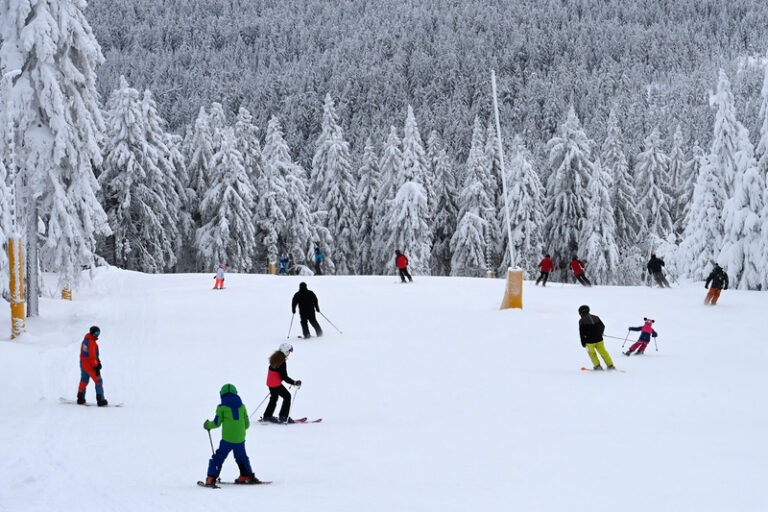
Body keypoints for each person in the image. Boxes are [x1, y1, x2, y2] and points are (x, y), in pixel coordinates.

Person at [202, 383, 261, 486]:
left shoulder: (221, 408)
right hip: (240, 439)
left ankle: (211, 478)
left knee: (219, 456)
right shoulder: (242, 407)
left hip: (227, 439)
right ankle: (246, 475)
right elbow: (247, 425)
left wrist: (207, 425)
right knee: (241, 457)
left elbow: (216, 423)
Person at [262, 344, 302, 424]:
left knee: (274, 397)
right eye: (289, 352)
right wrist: (294, 382)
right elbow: (284, 377)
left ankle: (267, 416)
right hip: (275, 384)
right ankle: (283, 417)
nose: (289, 353)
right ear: (285, 352)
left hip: (270, 383)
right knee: (287, 396)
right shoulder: (282, 362)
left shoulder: (275, 358)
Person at [77, 326, 108, 406]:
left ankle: (80, 398)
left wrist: (98, 361)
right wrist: (96, 366)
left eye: (99, 333)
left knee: (84, 380)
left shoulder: (85, 341)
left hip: (83, 364)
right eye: (96, 333)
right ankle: (100, 400)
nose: (97, 335)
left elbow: (85, 354)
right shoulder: (91, 342)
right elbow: (92, 356)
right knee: (98, 381)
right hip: (90, 366)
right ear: (92, 332)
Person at [578, 305, 616, 370]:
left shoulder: (582, 321)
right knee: (603, 352)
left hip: (589, 342)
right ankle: (610, 365)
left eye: (579, 312)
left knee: (592, 354)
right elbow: (602, 326)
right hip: (599, 340)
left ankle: (597, 366)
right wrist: (600, 333)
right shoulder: (596, 317)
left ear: (582, 312)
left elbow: (582, 333)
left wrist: (583, 342)